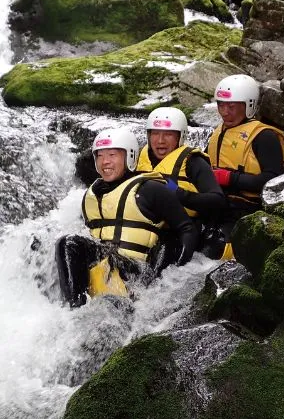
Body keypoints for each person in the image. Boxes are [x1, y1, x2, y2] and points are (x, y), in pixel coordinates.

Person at [55, 127, 198, 307]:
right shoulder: (91, 194)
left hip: (133, 275)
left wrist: (175, 274)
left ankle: (75, 311)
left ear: (130, 156)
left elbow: (187, 229)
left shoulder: (150, 189)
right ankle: (75, 309)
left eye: (112, 155)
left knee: (68, 242)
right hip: (101, 270)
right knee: (66, 243)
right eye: (99, 156)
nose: (104, 162)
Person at [206, 74, 284, 257]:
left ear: (249, 105)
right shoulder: (218, 133)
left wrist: (229, 178)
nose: (224, 112)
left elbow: (273, 182)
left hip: (248, 210)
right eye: (220, 105)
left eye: (231, 106)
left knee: (216, 248)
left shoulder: (265, 137)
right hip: (217, 205)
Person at [136, 107, 227, 258]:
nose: (160, 141)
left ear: (180, 136)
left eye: (168, 134)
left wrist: (177, 192)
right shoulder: (138, 157)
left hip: (181, 231)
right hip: (145, 229)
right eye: (155, 133)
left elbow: (218, 200)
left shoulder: (194, 162)